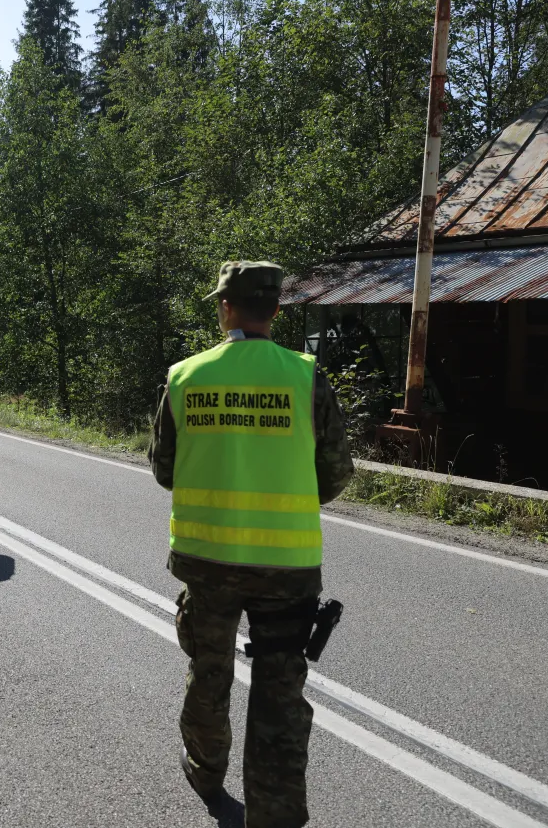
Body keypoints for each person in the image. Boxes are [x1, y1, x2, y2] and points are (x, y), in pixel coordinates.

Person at [149, 261, 354, 828]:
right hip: (286, 567)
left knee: (209, 670)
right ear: (276, 311)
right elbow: (336, 473)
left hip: (207, 562)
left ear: (226, 308)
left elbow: (164, 470)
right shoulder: (306, 376)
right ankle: (276, 812)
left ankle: (205, 769)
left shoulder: (185, 376)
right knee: (280, 692)